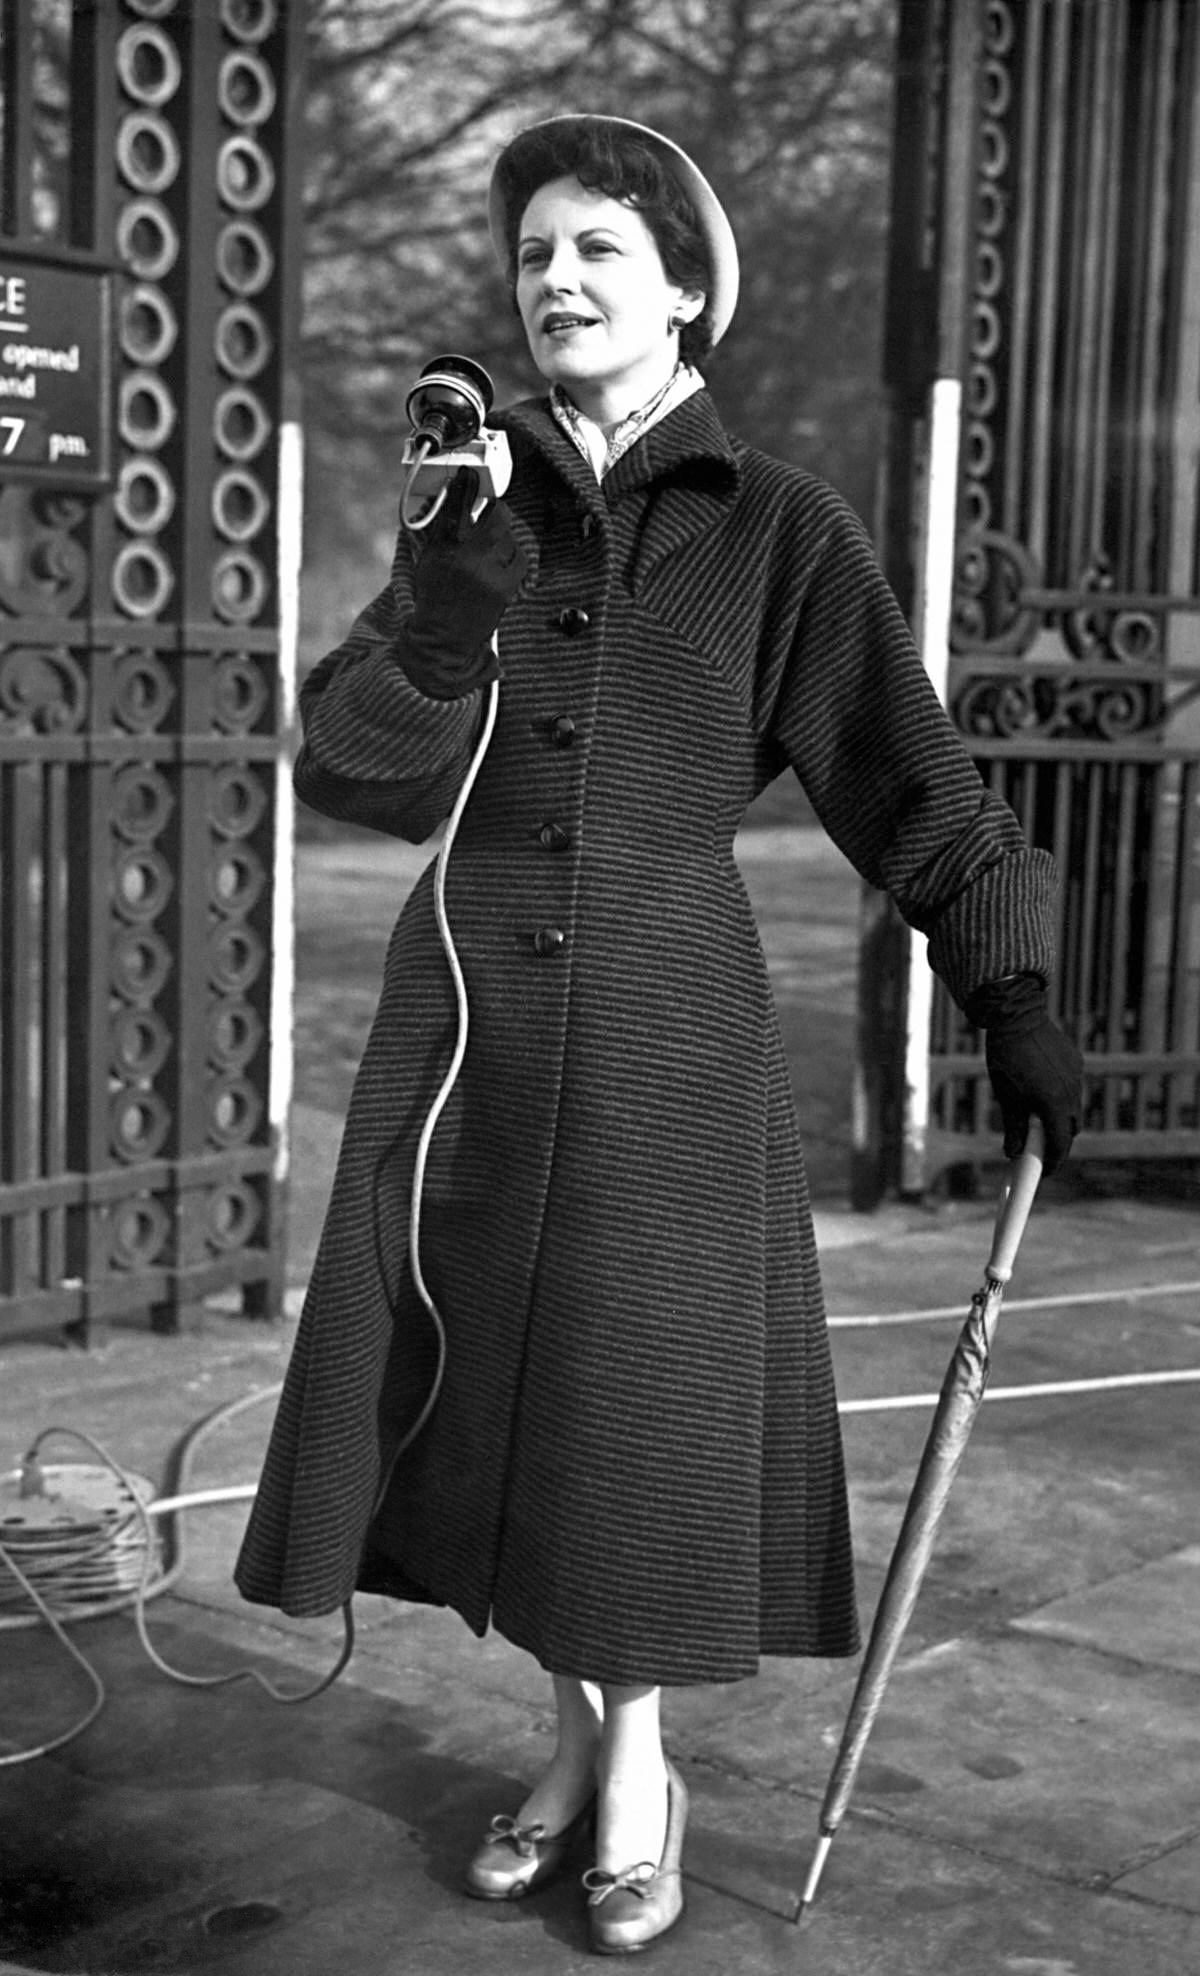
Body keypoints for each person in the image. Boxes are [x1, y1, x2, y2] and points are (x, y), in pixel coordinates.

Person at [235, 114, 1082, 1953]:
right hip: (467, 1033)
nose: (554, 281)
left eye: (599, 250)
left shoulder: (779, 529)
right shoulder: (471, 512)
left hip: (663, 1035)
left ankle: (637, 1780)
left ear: (688, 290)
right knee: (500, 1424)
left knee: (631, 1415)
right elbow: (352, 770)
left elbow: (911, 786)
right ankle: (561, 1756)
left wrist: (1009, 988)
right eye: (534, 254)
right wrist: (446, 618)